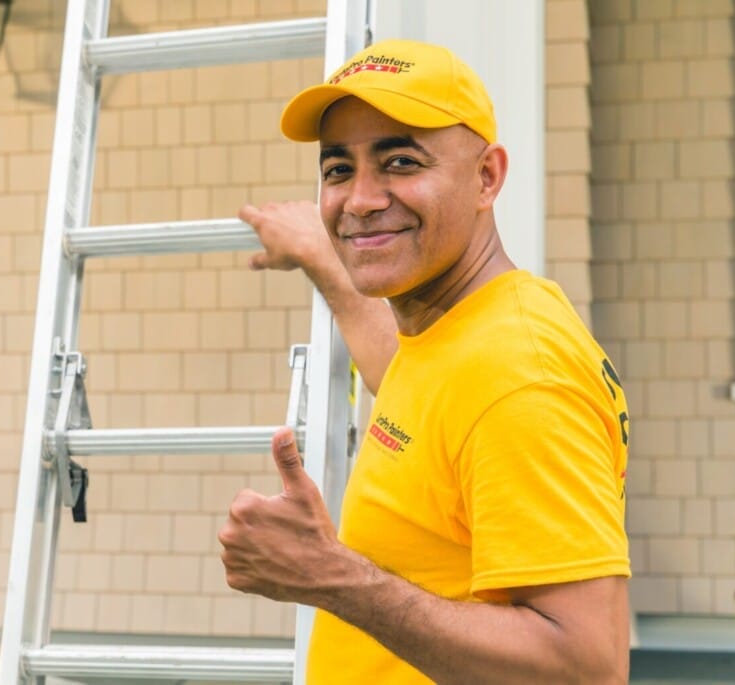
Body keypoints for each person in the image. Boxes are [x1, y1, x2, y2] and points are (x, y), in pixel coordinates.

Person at [219, 40, 631, 684]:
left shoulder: (519, 374)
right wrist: (323, 257)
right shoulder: (455, 333)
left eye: (401, 161)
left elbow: (584, 668)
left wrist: (329, 576)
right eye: (337, 171)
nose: (359, 200)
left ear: (487, 177)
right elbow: (422, 397)